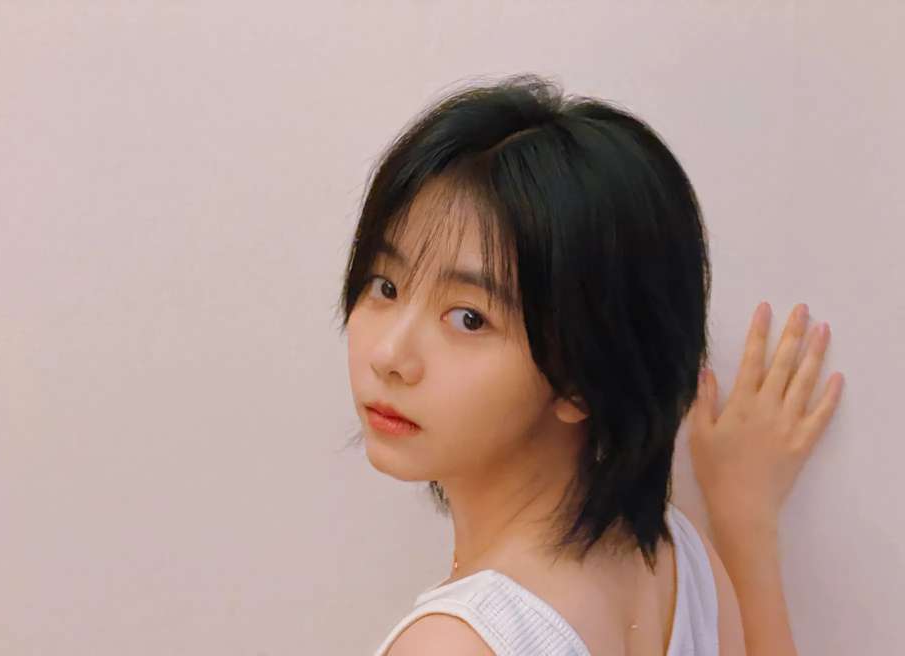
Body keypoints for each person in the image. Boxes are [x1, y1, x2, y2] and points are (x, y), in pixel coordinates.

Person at [335, 74, 844, 655]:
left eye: (469, 318)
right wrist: (744, 520)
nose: (390, 356)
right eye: (385, 286)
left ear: (581, 375)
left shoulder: (455, 644)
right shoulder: (682, 562)